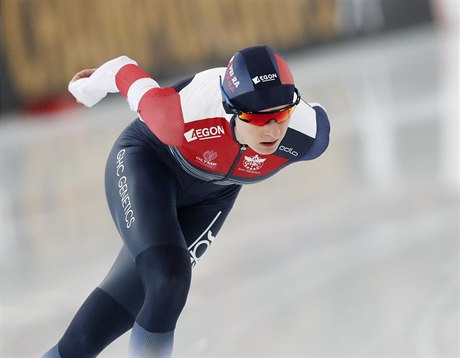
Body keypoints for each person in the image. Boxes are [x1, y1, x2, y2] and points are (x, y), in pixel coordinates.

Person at [43, 45, 330, 358]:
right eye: (257, 119)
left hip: (213, 197)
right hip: (149, 165)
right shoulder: (179, 116)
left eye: (281, 115)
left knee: (89, 337)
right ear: (231, 109)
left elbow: (312, 114)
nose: (274, 129)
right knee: (169, 276)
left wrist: (283, 114)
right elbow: (123, 70)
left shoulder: (308, 134)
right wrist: (88, 88)